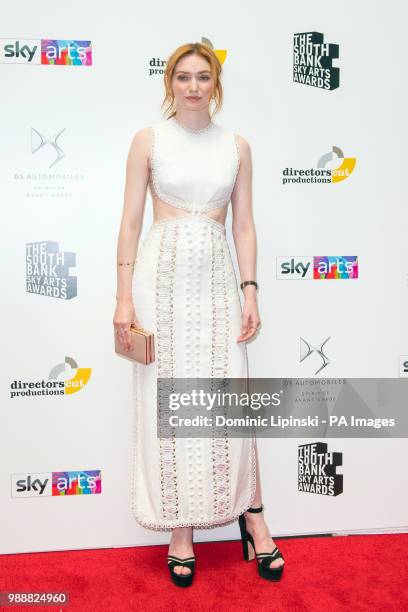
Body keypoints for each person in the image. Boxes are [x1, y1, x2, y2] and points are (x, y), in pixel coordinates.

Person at [113, 42, 285, 586]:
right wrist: (122, 296)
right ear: (169, 83)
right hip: (159, 282)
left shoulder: (237, 146)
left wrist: (251, 290)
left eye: (202, 77)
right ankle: (180, 530)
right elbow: (130, 223)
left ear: (216, 83)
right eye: (183, 77)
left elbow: (245, 226)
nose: (192, 86)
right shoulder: (149, 140)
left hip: (215, 282)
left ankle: (252, 518)